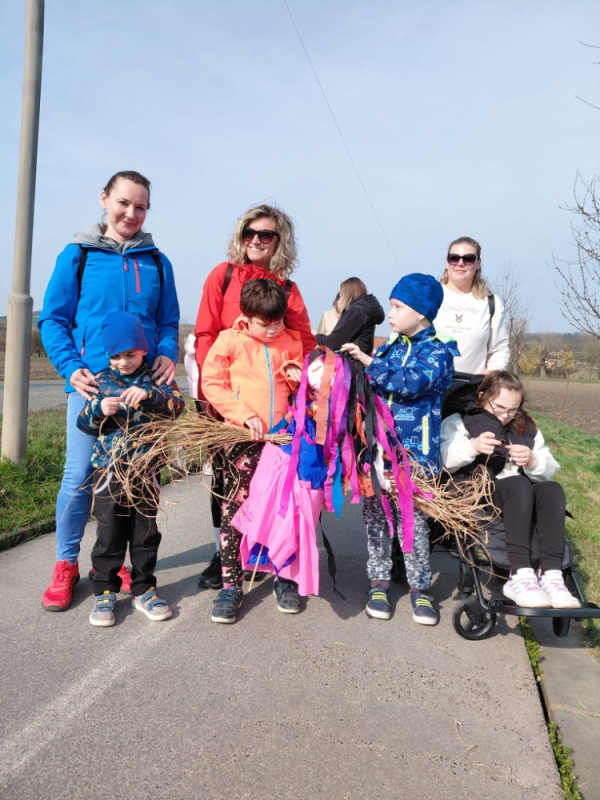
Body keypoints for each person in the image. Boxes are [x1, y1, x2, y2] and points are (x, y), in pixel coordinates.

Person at [38, 170, 180, 612]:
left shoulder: (157, 262)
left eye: (141, 207)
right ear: (104, 199)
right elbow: (53, 319)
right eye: (123, 203)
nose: (131, 213)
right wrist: (71, 367)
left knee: (135, 477)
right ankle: (66, 563)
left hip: (143, 389)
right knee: (81, 474)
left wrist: (167, 353)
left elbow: (168, 321)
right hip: (93, 385)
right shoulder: (78, 255)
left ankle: (122, 565)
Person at [194, 204, 315, 589]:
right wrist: (213, 398)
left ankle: (267, 554)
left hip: (276, 416)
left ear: (280, 240)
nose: (256, 240)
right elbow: (205, 333)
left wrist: (300, 382)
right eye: (250, 232)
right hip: (227, 403)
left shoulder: (287, 289)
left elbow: (302, 342)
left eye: (266, 234)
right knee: (227, 484)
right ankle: (226, 556)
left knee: (273, 485)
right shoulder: (223, 275)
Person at [342, 274, 458, 625]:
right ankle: (378, 583)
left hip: (415, 460)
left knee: (414, 525)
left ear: (421, 312)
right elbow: (368, 388)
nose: (390, 314)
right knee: (375, 521)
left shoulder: (439, 352)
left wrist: (368, 362)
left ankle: (420, 588)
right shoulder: (389, 349)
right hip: (378, 456)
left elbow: (409, 383)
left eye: (398, 307)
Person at [201, 279, 304, 623]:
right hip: (242, 439)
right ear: (246, 316)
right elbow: (212, 383)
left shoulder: (291, 340)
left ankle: (284, 578)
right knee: (236, 509)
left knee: (282, 511)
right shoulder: (229, 341)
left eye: (278, 322)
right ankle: (231, 585)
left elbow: (301, 389)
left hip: (281, 441)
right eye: (264, 324)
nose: (272, 330)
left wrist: (295, 377)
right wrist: (243, 414)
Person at [76, 311, 185, 626]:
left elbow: (177, 406)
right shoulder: (100, 381)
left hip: (146, 469)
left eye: (131, 354)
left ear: (143, 349)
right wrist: (99, 409)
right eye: (116, 356)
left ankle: (144, 589)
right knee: (109, 532)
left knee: (145, 532)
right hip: (109, 470)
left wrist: (149, 396)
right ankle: (104, 592)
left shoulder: (157, 378)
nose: (123, 362)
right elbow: (84, 423)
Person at [440, 370, 580, 609]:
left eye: (513, 410)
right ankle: (520, 575)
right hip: (480, 490)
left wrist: (532, 459)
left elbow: (549, 468)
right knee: (518, 484)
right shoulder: (460, 420)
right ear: (482, 396)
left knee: (552, 489)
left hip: (520, 493)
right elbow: (443, 460)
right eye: (499, 408)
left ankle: (552, 576)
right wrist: (472, 446)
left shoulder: (526, 426)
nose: (505, 416)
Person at [435, 236, 510, 375]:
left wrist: (491, 376)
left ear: (478, 263)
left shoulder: (491, 302)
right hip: (428, 384)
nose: (460, 263)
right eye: (454, 258)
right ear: (447, 262)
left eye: (468, 259)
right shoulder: (429, 295)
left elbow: (499, 348)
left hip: (472, 385)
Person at [315, 277, 384, 354]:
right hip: (361, 357)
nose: (340, 298)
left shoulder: (355, 312)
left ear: (347, 294)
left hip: (351, 358)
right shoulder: (365, 310)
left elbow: (332, 342)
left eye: (341, 295)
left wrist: (315, 335)